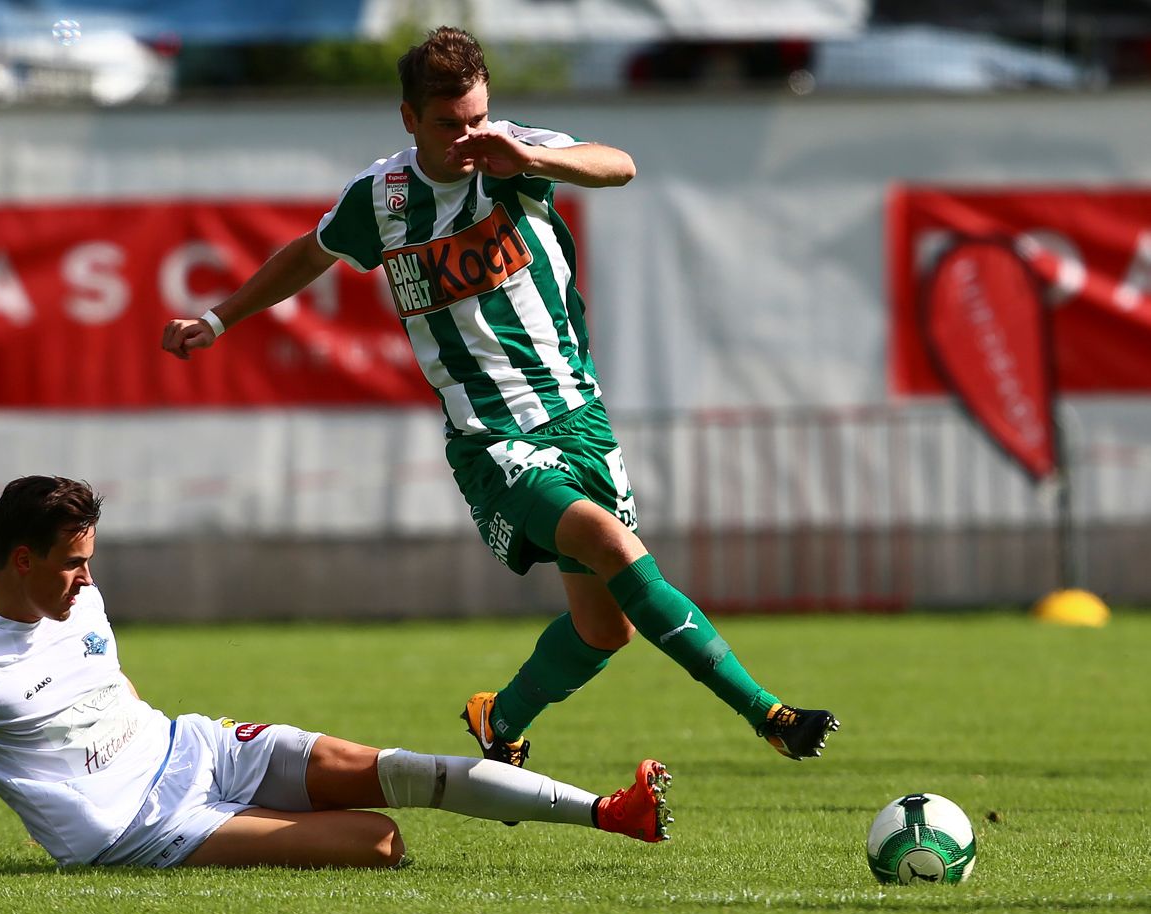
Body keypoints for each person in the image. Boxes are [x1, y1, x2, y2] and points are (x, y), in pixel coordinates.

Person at [161, 26, 839, 773]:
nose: (467, 136)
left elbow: (618, 166)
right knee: (616, 548)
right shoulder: (381, 198)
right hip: (492, 439)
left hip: (580, 417)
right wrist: (218, 318)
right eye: (449, 124)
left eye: (477, 117)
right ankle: (768, 712)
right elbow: (308, 252)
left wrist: (535, 158)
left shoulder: (516, 155)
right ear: (409, 119)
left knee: (603, 631)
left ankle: (500, 715)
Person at [0, 476, 672, 873]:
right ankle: (276, 832)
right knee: (377, 842)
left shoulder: (73, 594)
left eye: (89, 557)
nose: (89, 577)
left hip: (189, 745)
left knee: (396, 768)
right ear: (20, 559)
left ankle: (606, 813)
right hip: (136, 824)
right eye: (72, 560)